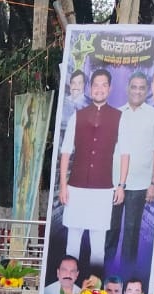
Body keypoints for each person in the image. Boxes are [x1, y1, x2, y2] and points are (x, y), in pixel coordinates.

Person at [57, 68, 122, 268]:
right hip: (76, 187)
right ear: (90, 88)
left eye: (104, 85)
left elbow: (123, 153)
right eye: (96, 85)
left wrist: (120, 185)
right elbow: (66, 152)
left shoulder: (119, 117)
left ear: (109, 88)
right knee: (73, 241)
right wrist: (63, 185)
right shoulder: (78, 116)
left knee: (98, 244)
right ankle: (68, 293)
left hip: (103, 189)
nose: (99, 89)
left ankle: (94, 292)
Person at [112, 71, 154, 271]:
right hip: (114, 182)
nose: (137, 91)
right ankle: (105, 271)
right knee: (110, 229)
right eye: (133, 87)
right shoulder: (116, 114)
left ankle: (127, 272)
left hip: (141, 184)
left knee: (131, 231)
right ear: (128, 88)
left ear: (147, 91)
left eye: (141, 87)